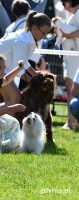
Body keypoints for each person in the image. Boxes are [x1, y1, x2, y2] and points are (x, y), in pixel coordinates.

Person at [0, 11, 52, 115]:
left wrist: (34, 73)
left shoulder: (28, 38)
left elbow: (23, 61)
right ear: (35, 27)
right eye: (43, 33)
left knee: (11, 99)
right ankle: (0, 125)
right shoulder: (23, 40)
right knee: (15, 98)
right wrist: (33, 80)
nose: (44, 36)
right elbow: (18, 69)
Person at [58, 0, 79, 129]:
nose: (62, 6)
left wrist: (66, 35)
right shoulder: (74, 14)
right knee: (70, 86)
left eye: (64, 2)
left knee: (72, 87)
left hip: (75, 56)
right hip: (71, 56)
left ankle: (71, 122)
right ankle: (72, 121)